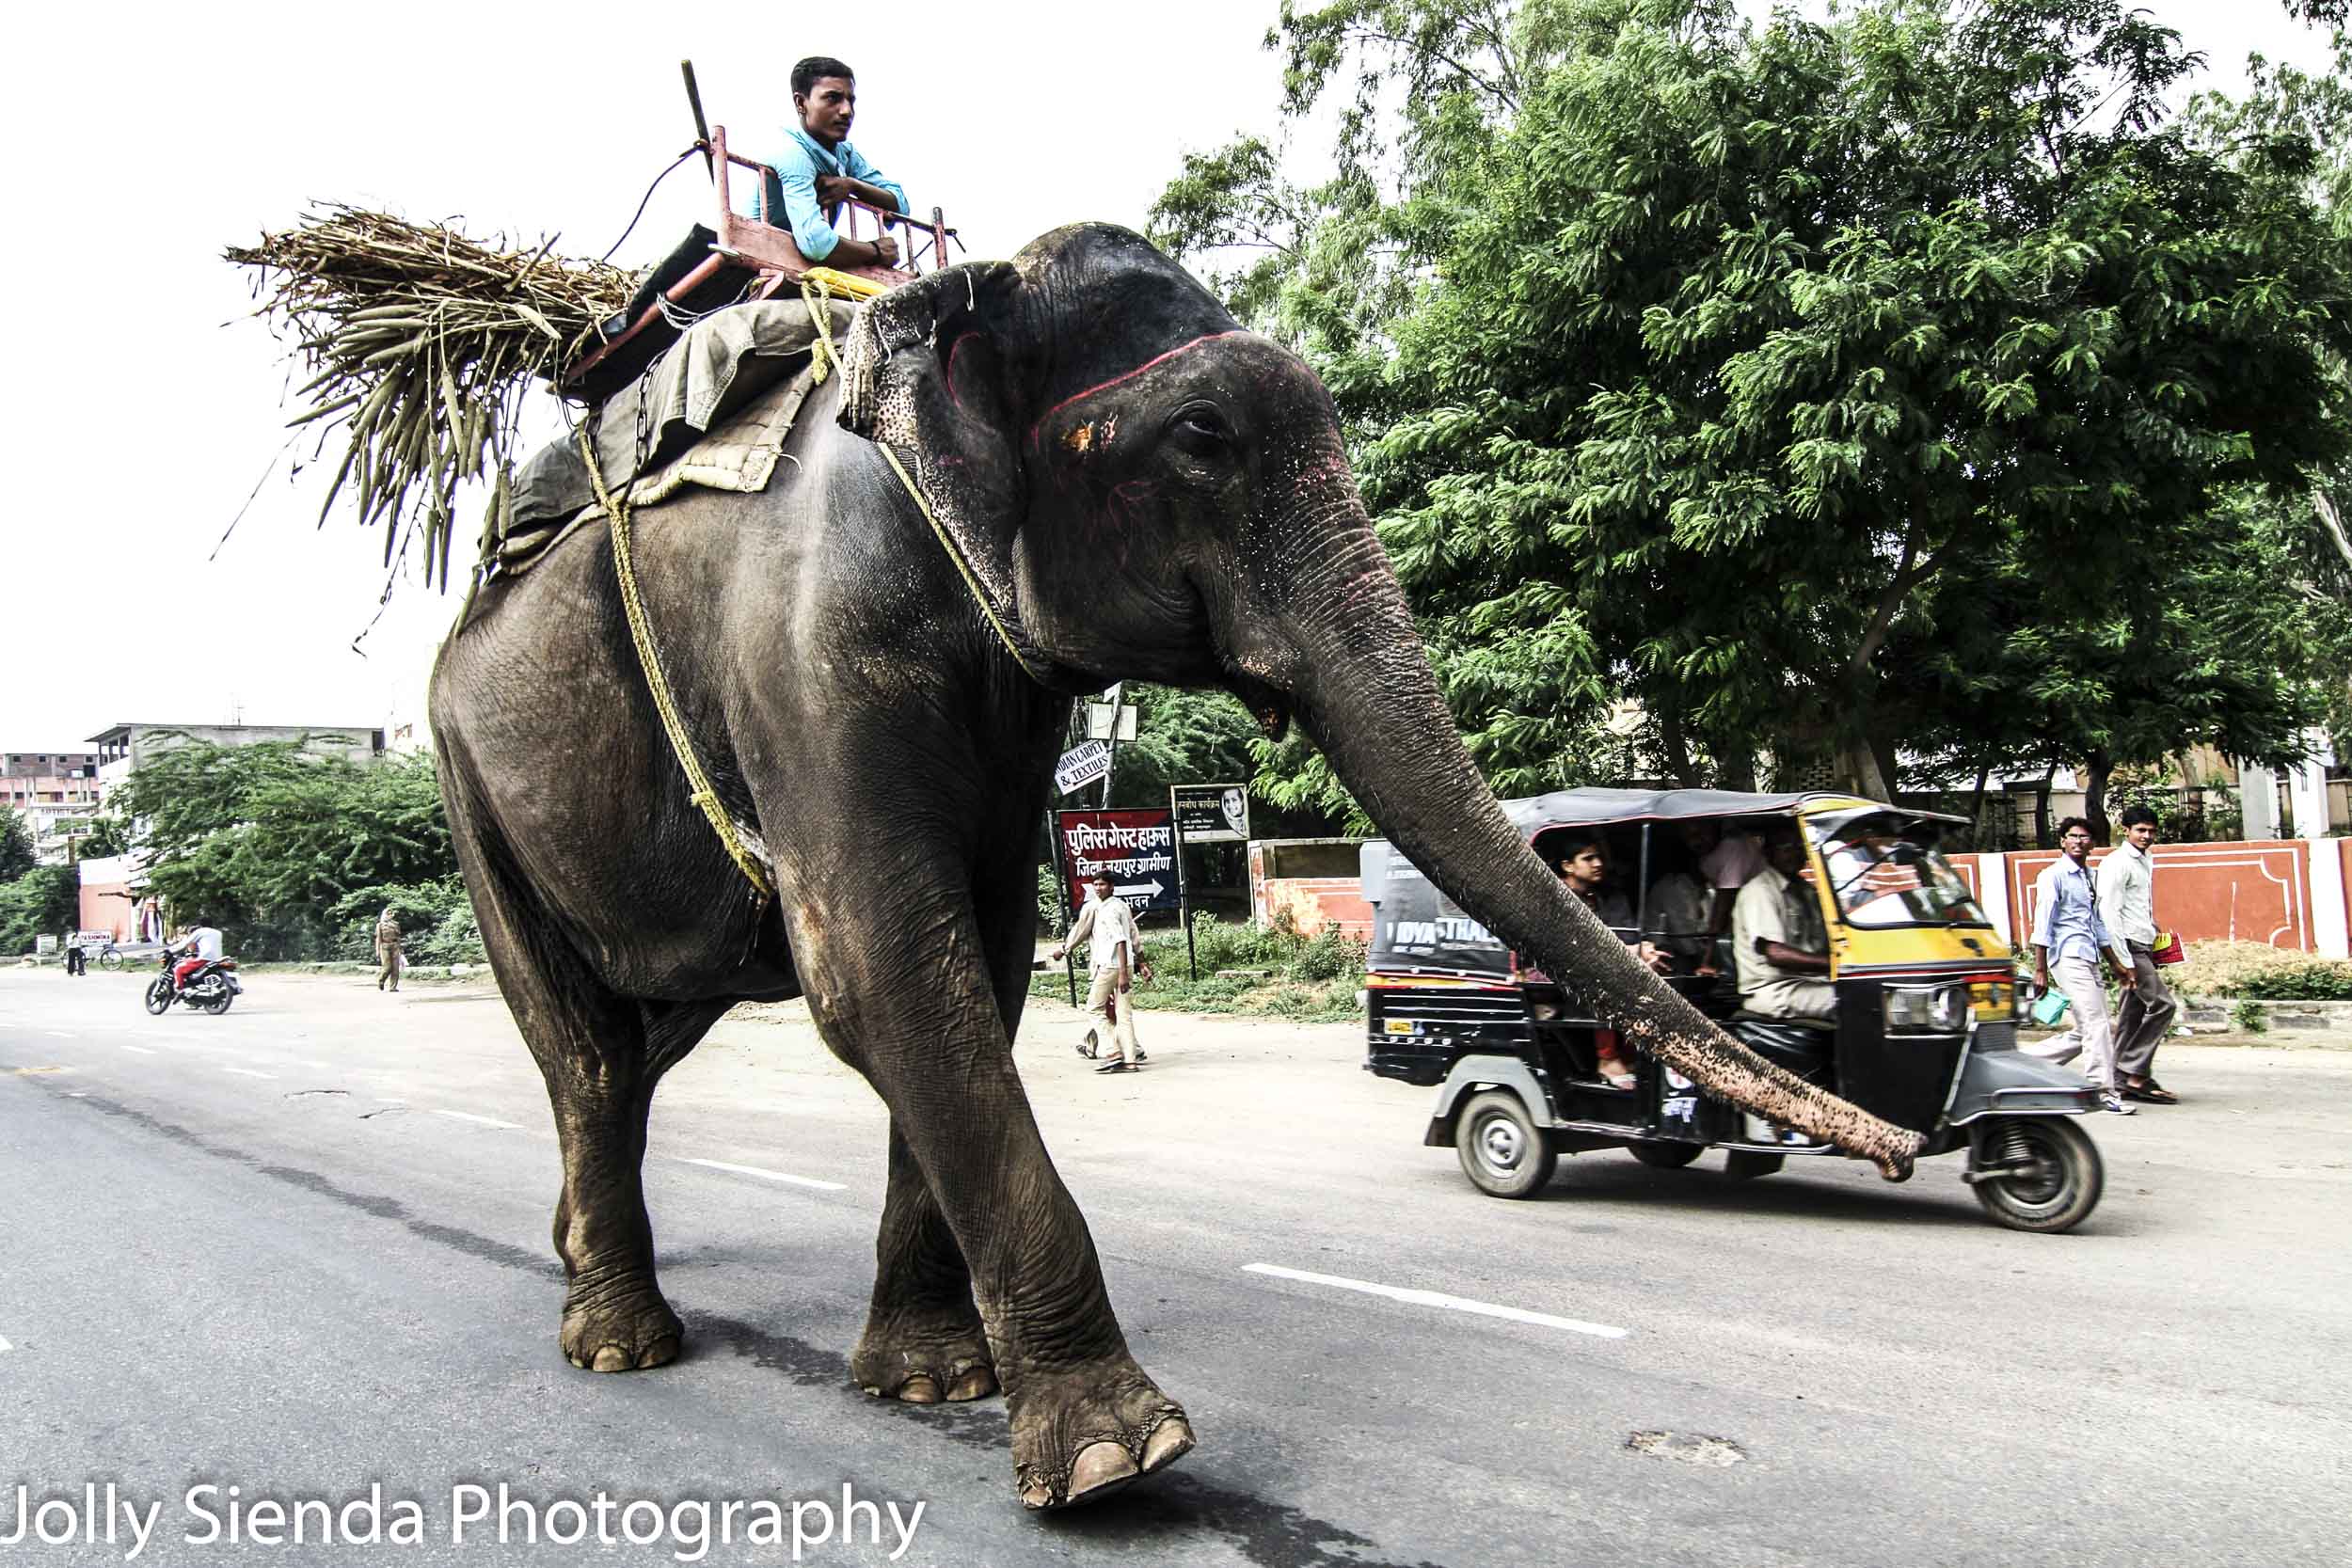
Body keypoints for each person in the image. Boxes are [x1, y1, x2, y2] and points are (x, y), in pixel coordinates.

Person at [2026, 817, 2135, 1115]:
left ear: (2093, 843)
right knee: (2097, 1024)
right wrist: (2040, 969)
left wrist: (2117, 964)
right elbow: (2043, 923)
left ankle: (2027, 1064)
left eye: (2084, 837)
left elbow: (2097, 923)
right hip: (2067, 955)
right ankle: (2103, 1091)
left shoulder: (2091, 876)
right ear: (2062, 841)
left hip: (2089, 955)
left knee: (2093, 1028)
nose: (2078, 841)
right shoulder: (2053, 876)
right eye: (2072, 836)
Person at [769, 56, 908, 271]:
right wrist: (876, 250)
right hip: (765, 253)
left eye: (850, 100)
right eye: (832, 99)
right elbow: (816, 243)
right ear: (800, 103)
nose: (846, 111)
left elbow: (900, 204)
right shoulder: (792, 152)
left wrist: (852, 185)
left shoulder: (844, 152)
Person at [1556, 832, 1666, 1088]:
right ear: (1568, 866)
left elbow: (1621, 935)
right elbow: (1580, 948)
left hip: (1605, 966)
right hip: (1566, 976)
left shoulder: (1600, 897)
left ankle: (1630, 1054)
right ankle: (1607, 1058)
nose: (1598, 864)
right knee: (1606, 980)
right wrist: (1633, 950)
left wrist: (1645, 949)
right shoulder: (1557, 899)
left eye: (1599, 858)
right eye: (1588, 858)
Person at [2098, 805, 2180, 1103]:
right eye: (2140, 830)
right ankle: (2134, 1071)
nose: (2146, 836)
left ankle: (2118, 1080)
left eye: (2151, 831)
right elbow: (2108, 914)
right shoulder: (2116, 863)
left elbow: (2136, 905)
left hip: (2142, 941)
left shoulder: (2145, 859)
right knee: (2162, 1005)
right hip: (2128, 946)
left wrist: (2153, 928)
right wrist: (2121, 962)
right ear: (2126, 831)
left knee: (2131, 1013)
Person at [1730, 823, 1836, 1022]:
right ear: (1768, 853)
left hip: (1809, 982)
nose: (1795, 854)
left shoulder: (1805, 890)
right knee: (1850, 1001)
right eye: (1786, 848)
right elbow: (1775, 954)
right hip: (1775, 990)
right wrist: (1836, 964)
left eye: (1799, 847)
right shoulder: (1760, 891)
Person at [1050, 874, 1152, 1073]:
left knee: (1095, 1009)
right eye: (1095, 884)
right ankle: (1131, 1059)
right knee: (1122, 1014)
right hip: (1124, 964)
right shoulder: (1121, 906)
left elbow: (1120, 939)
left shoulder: (1102, 909)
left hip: (1109, 966)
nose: (1098, 888)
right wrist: (1141, 962)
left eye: (1102, 884)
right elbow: (1134, 935)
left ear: (1112, 886)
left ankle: (1113, 1052)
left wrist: (1064, 950)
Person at [172, 920, 225, 994]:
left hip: (205, 958)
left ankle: (180, 989)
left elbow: (186, 944)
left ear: (200, 926)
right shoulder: (218, 932)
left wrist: (170, 950)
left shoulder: (200, 931)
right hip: (218, 959)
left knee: (178, 968)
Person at [374, 906, 405, 993]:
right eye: (388, 913)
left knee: (395, 968)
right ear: (384, 915)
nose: (390, 915)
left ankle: (393, 987)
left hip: (395, 946)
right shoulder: (380, 925)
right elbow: (378, 938)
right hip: (384, 946)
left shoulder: (396, 924)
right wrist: (377, 950)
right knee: (387, 967)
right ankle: (381, 980)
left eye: (391, 913)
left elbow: (398, 937)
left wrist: (400, 949)